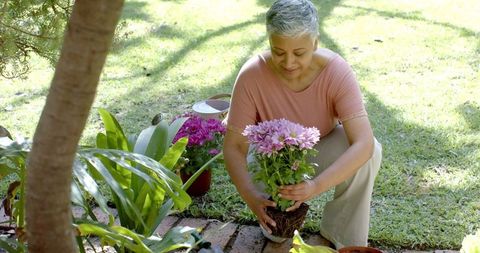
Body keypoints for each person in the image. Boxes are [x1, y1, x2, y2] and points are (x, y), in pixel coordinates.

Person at [223, 0, 382, 249]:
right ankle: (280, 223)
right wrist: (252, 197)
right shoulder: (251, 75)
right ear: (269, 43)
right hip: (270, 162)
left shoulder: (337, 72)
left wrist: (314, 186)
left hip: (318, 150)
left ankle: (343, 235)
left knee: (372, 151)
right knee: (277, 235)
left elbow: (363, 144)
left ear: (315, 43)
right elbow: (234, 146)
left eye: (299, 53)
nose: (288, 63)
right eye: (278, 52)